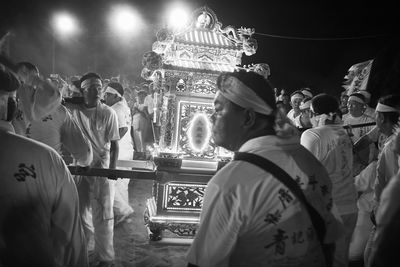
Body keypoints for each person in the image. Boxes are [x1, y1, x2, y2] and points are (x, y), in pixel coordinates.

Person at [186, 69, 343, 267]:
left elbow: (204, 262)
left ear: (248, 118)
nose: (211, 117)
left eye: (218, 110)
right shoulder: (310, 162)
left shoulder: (229, 184)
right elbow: (334, 239)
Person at [0, 58, 87, 267]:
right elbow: (70, 239)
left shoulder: (28, 105)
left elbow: (53, 95)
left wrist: (33, 80)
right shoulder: (45, 157)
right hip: (31, 168)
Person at [67, 72, 120, 267]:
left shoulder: (108, 112)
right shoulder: (74, 109)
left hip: (102, 168)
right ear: (83, 90)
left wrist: (112, 170)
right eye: (92, 87)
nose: (97, 91)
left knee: (104, 214)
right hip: (79, 167)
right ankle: (85, 252)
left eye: (99, 87)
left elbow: (115, 145)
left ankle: (105, 257)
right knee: (81, 212)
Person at [300, 93, 358, 267]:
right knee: (340, 261)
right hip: (349, 207)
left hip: (327, 212)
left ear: (315, 114)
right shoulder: (344, 133)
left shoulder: (312, 135)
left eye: (309, 112)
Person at [363, 94, 400, 266]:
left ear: (383, 118)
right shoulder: (390, 139)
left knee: (371, 258)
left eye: (376, 115)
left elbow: (393, 184)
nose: (374, 118)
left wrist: (380, 211)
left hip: (389, 215)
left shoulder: (392, 148)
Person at [104, 81, 135, 225]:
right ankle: (122, 213)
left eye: (108, 95)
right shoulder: (124, 106)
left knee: (111, 183)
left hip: (120, 151)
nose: (105, 98)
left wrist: (109, 142)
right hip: (126, 149)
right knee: (121, 184)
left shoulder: (116, 108)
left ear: (116, 96)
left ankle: (123, 210)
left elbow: (123, 129)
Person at [12, 61, 61, 136]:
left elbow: (53, 95)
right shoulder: (21, 90)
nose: (19, 79)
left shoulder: (40, 92)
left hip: (23, 141)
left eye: (19, 76)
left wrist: (36, 80)